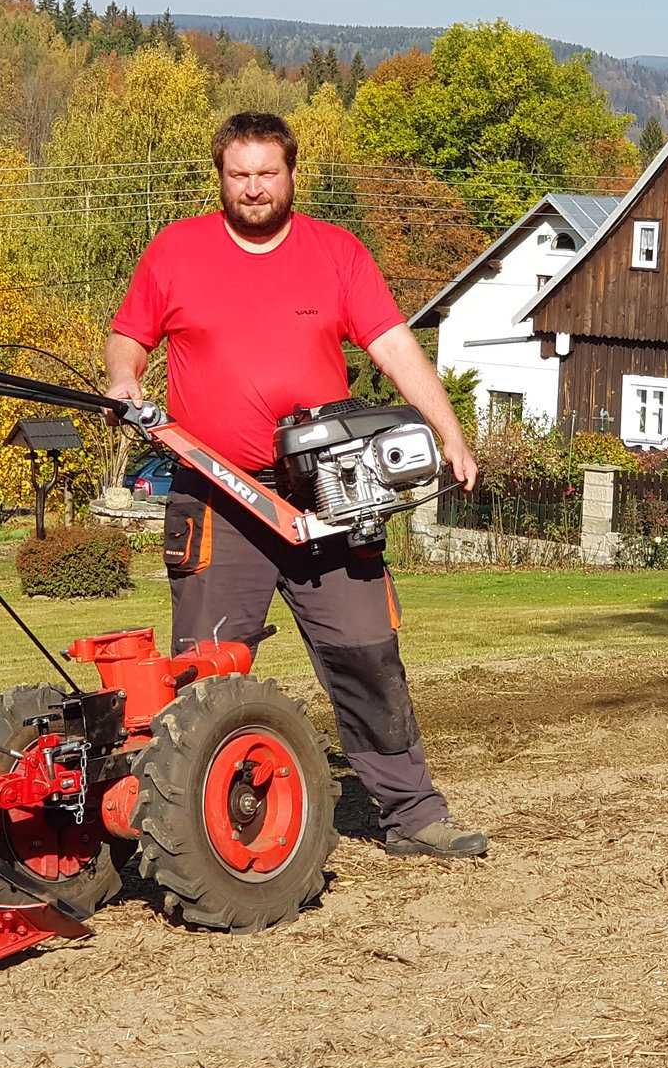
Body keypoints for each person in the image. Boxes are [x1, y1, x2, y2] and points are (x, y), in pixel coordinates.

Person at [102, 111, 488, 860]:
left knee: (368, 651)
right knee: (204, 673)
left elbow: (394, 345)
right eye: (238, 175)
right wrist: (124, 381)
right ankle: (185, 834)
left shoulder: (336, 253)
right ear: (220, 176)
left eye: (266, 174)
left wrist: (449, 432)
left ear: (291, 174)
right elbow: (129, 338)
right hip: (216, 496)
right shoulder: (176, 250)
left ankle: (412, 814)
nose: (253, 189)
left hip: (330, 494)